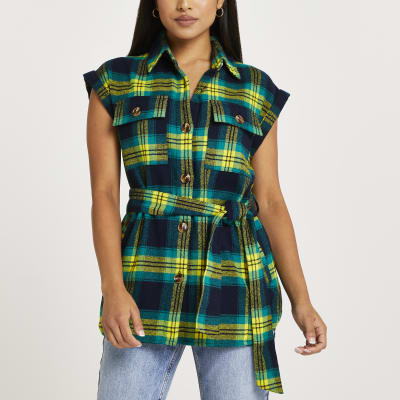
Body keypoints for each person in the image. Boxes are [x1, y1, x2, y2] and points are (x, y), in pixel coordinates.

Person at [83, 1, 327, 399]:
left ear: (220, 3)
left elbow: (270, 201)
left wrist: (302, 300)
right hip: (144, 284)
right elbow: (105, 194)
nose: (184, 4)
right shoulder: (116, 81)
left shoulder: (254, 88)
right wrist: (113, 288)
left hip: (234, 287)